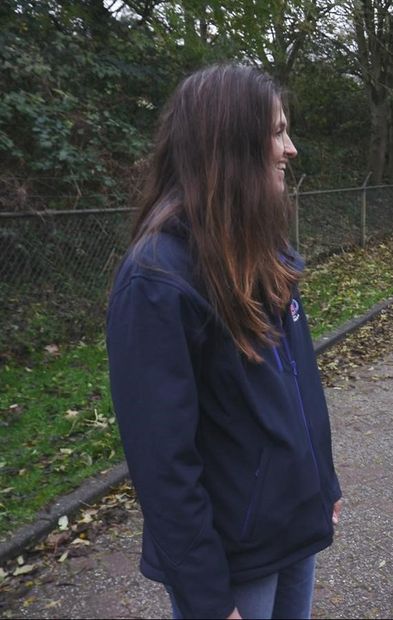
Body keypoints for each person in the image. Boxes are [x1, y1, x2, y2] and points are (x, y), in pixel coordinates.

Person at [106, 64, 342, 619]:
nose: (291, 148)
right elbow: (163, 464)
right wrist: (209, 601)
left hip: (290, 529)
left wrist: (321, 483)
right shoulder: (159, 280)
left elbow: (299, 385)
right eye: (278, 132)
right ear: (231, 144)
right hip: (232, 560)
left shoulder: (264, 250)